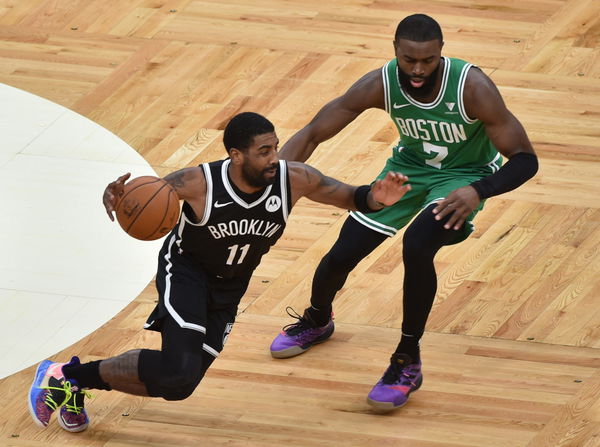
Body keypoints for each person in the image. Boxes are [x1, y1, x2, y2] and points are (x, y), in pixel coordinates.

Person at [28, 112, 411, 432]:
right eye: (264, 151)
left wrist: (378, 199)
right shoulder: (197, 183)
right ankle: (68, 377)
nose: (274, 157)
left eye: (275, 147)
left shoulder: (294, 179)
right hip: (186, 273)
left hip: (230, 288)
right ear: (236, 155)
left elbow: (350, 197)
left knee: (180, 385)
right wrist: (119, 197)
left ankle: (69, 379)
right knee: (178, 368)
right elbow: (145, 198)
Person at [269, 14, 539, 410]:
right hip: (406, 174)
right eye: (408, 59)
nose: (416, 70)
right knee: (342, 253)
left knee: (417, 244)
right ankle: (317, 319)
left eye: (427, 61)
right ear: (395, 50)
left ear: (440, 54)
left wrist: (477, 190)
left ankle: (407, 360)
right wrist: (269, 185)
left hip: (462, 180)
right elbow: (312, 133)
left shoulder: (473, 87)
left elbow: (524, 160)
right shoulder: (380, 83)